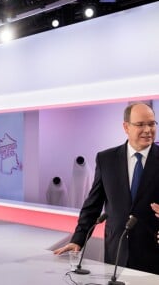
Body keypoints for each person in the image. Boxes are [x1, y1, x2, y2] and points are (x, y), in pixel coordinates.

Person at [54, 103, 159, 275]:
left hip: (153, 256)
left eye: (152, 123)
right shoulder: (106, 159)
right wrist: (78, 240)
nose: (148, 130)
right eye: (140, 124)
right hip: (115, 254)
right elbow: (93, 205)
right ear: (126, 127)